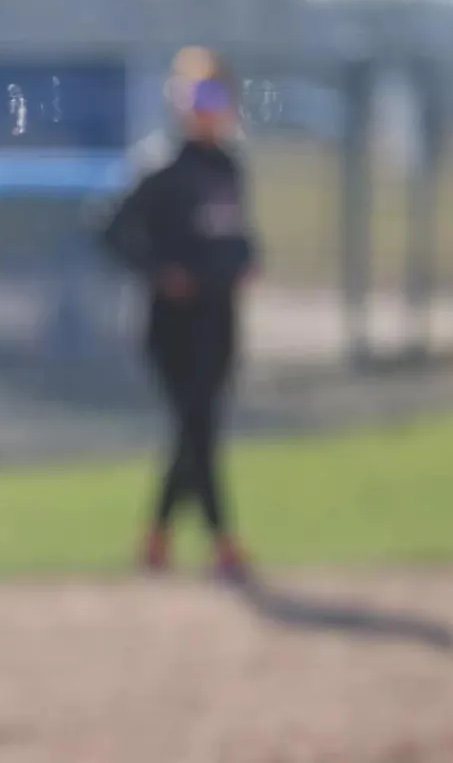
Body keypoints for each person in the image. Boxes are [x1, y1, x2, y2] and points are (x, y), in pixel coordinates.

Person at [94, 46, 260, 582]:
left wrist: (247, 261)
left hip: (220, 318)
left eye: (219, 95)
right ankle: (223, 540)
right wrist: (162, 270)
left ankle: (157, 538)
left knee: (197, 428)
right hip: (172, 322)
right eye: (199, 95)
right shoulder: (162, 165)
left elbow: (234, 236)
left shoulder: (229, 165)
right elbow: (111, 230)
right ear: (181, 102)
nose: (210, 107)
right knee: (197, 425)